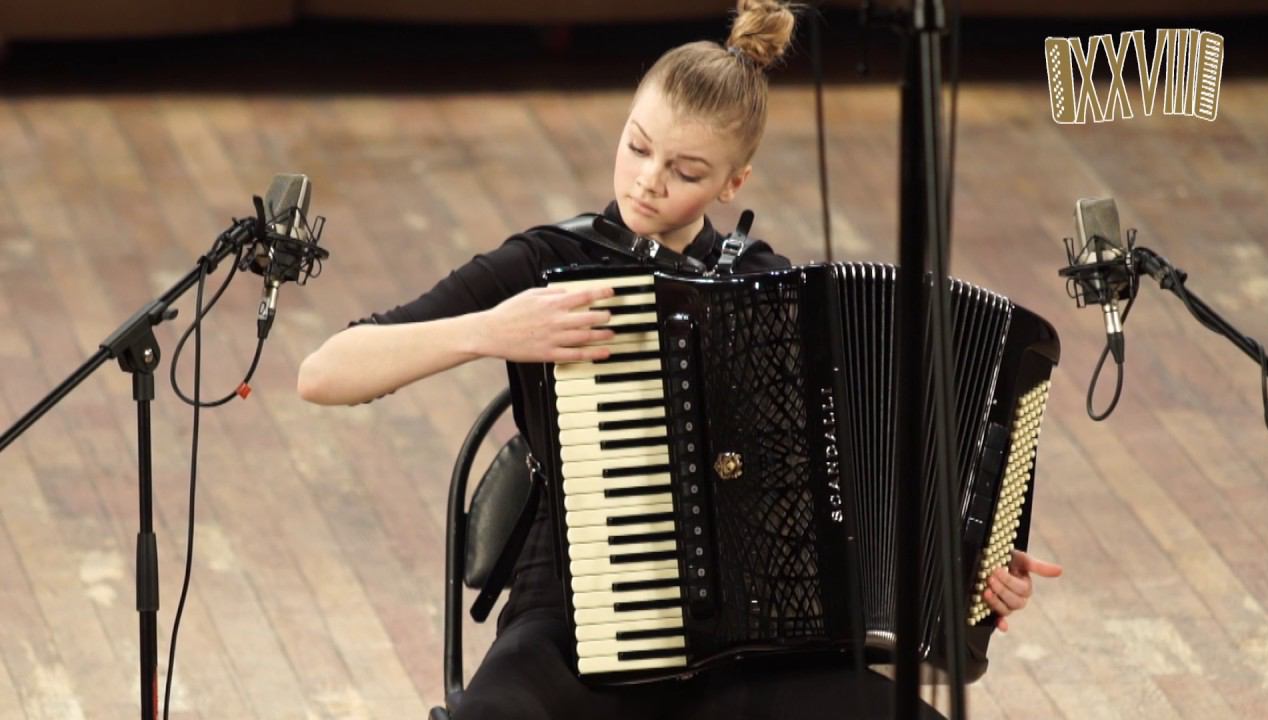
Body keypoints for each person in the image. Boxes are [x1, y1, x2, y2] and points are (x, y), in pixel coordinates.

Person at [297, 1, 1062, 717]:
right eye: (636, 145)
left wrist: (969, 568)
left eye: (686, 171)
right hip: (572, 624)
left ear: (734, 183)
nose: (646, 180)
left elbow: (849, 497)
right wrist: (494, 330)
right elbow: (325, 373)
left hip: (748, 640)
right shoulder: (546, 262)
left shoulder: (769, 288)